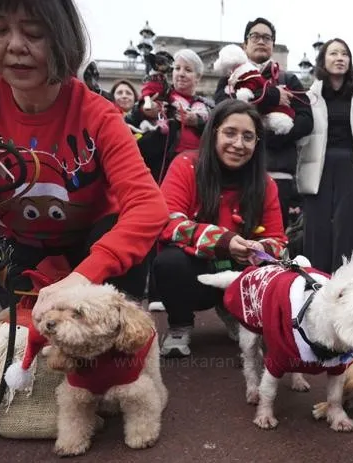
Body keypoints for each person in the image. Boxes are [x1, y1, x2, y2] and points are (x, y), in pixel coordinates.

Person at [0, 0, 167, 311]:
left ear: (61, 38)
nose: (16, 46)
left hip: (94, 245)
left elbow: (148, 206)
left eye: (34, 32)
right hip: (20, 247)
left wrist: (86, 275)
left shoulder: (99, 115)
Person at [153, 100, 287, 357]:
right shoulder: (185, 165)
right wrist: (222, 241)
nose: (238, 144)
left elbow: (278, 240)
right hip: (194, 273)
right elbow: (167, 222)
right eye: (230, 133)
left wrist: (258, 248)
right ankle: (180, 323)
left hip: (239, 274)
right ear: (213, 131)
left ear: (257, 144)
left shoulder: (266, 183)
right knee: (169, 262)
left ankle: (238, 313)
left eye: (248, 137)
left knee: (275, 266)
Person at [214, 17, 313, 229]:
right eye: (255, 36)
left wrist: (269, 138)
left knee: (273, 237)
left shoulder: (288, 80)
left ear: (273, 45)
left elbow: (306, 120)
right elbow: (221, 111)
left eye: (267, 38)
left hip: (277, 172)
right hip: (235, 173)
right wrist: (271, 96)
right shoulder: (230, 77)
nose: (261, 41)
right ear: (245, 44)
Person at [296, 38, 353, 273]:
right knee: (315, 228)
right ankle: (314, 281)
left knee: (347, 228)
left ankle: (345, 281)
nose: (340, 58)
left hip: (351, 167)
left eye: (344, 54)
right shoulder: (310, 96)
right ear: (323, 60)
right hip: (316, 167)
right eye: (333, 53)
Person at [130, 49, 211, 184]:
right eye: (177, 68)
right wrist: (144, 111)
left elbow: (216, 131)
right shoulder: (162, 96)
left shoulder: (207, 106)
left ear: (198, 77)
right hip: (162, 171)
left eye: (188, 70)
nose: (181, 74)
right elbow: (131, 119)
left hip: (198, 172)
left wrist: (197, 121)